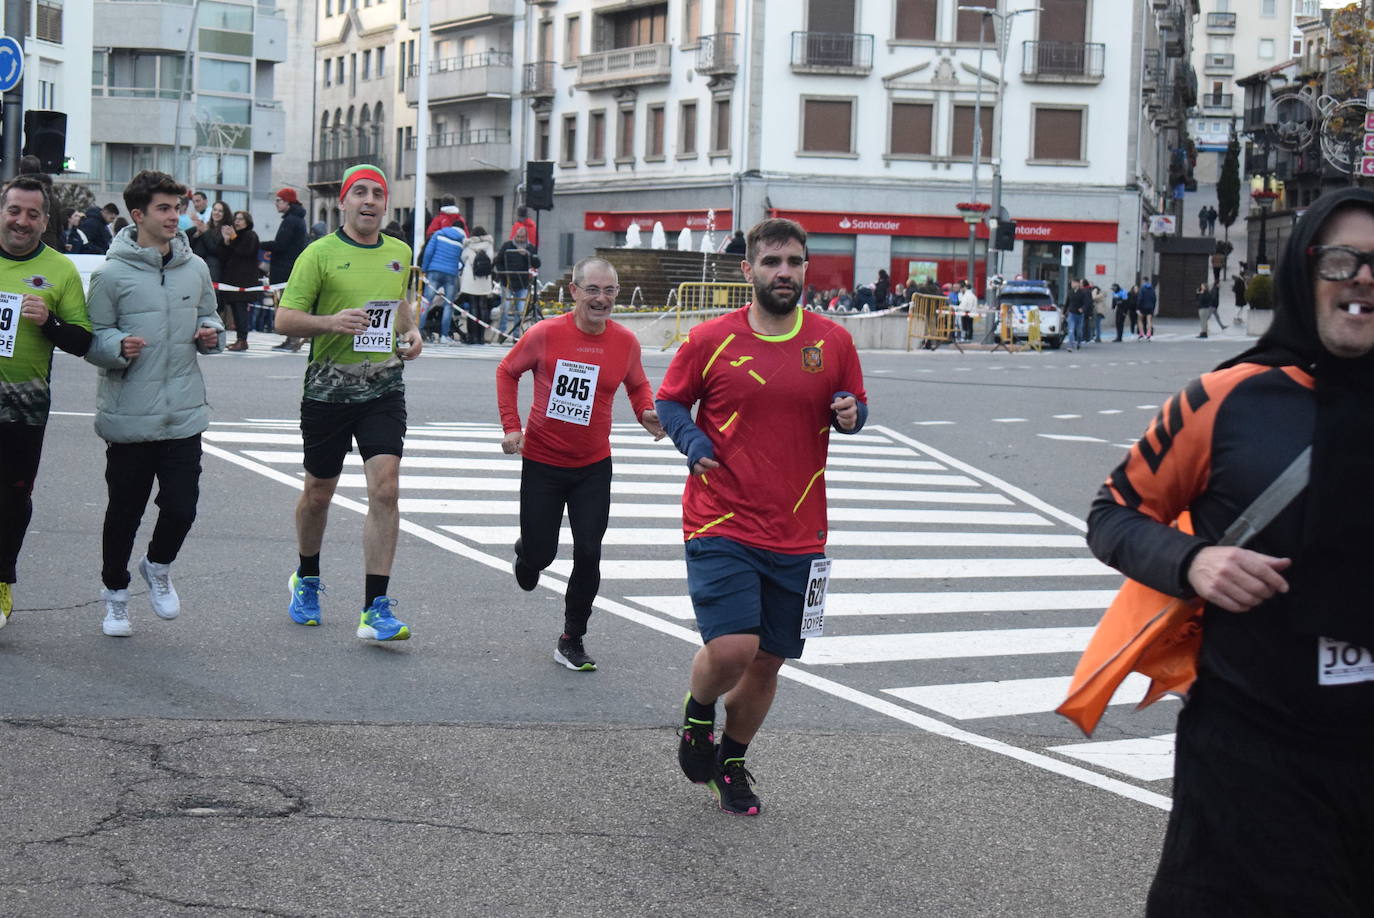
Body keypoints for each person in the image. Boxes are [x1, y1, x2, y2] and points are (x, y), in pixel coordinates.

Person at [1080, 187, 1374, 915]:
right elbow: (1113, 512)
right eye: (1340, 261)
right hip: (1252, 756)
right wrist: (1193, 563)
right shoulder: (1228, 397)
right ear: (1305, 276)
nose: (1361, 279)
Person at [657, 217, 868, 816]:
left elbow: (853, 404)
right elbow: (670, 401)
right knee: (733, 649)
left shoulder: (833, 340)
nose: (784, 272)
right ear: (747, 270)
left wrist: (853, 415)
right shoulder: (710, 339)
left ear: (806, 269)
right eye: (772, 262)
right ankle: (698, 717)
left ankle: (732, 760)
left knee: (771, 659)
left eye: (794, 262)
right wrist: (693, 443)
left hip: (801, 528)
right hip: (719, 515)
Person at [271, 163, 423, 643]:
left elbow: (399, 305)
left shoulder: (399, 251)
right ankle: (307, 578)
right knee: (319, 492)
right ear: (343, 201)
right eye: (360, 192)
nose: (370, 201)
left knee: (386, 489)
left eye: (378, 193)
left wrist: (412, 332)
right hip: (327, 390)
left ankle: (375, 607)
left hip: (382, 387)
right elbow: (284, 319)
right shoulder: (318, 254)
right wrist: (331, 323)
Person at [496, 257, 664, 670]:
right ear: (573, 291)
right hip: (542, 461)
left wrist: (646, 411)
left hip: (593, 465)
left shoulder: (625, 342)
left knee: (589, 551)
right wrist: (512, 426)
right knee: (541, 553)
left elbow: (638, 383)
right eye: (592, 289)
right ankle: (529, 554)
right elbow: (507, 371)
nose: (601, 299)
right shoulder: (545, 334)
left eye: (609, 291)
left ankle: (572, 638)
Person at [83, 170, 223, 637]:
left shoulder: (195, 267)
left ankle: (158, 565)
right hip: (130, 415)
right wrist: (115, 347)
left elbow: (209, 318)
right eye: (164, 208)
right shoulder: (109, 274)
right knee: (124, 511)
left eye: (177, 208)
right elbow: (94, 338)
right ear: (138, 214)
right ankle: (115, 596)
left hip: (184, 411)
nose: (174, 216)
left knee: (182, 507)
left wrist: (211, 334)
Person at [0, 176, 92, 628]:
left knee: (13, 499)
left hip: (24, 408)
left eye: (32, 214)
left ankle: (2, 580)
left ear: (45, 220)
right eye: (15, 210)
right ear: (2, 211)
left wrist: (50, 322)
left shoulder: (60, 270)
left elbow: (83, 341)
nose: (22, 221)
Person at [265, 188, 309, 352]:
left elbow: (281, 245)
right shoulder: (296, 219)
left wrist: (260, 245)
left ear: (287, 202)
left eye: (279, 200)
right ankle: (291, 338)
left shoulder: (291, 220)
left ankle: (293, 339)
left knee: (286, 305)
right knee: (288, 304)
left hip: (285, 268)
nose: (276, 203)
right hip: (289, 267)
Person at [219, 210, 262, 351]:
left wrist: (232, 239)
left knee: (241, 309)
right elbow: (226, 255)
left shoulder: (250, 235)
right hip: (232, 279)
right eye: (236, 219)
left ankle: (242, 339)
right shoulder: (235, 236)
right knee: (236, 310)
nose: (237, 221)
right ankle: (240, 338)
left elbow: (244, 252)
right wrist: (227, 241)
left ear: (247, 221)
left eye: (241, 219)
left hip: (244, 280)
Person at [421, 218, 465, 343]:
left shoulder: (439, 234)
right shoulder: (461, 240)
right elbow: (461, 261)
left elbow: (428, 252)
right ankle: (444, 336)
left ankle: (419, 331)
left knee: (426, 302)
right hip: (451, 274)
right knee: (448, 305)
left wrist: (424, 268)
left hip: (434, 270)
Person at [494, 225, 540, 343]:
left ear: (526, 237)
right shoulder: (507, 246)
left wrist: (527, 255)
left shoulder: (530, 247)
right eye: (518, 236)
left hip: (523, 283)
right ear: (515, 235)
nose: (520, 239)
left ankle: (516, 335)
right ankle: (502, 333)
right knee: (505, 309)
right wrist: (503, 275)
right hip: (507, 282)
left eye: (522, 237)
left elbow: (537, 263)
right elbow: (498, 261)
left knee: (520, 311)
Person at [458, 225, 495, 344]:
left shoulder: (469, 245)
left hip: (471, 279)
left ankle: (473, 336)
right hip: (484, 279)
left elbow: (463, 258)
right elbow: (491, 259)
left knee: (473, 306)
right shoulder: (488, 244)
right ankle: (481, 337)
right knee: (483, 307)